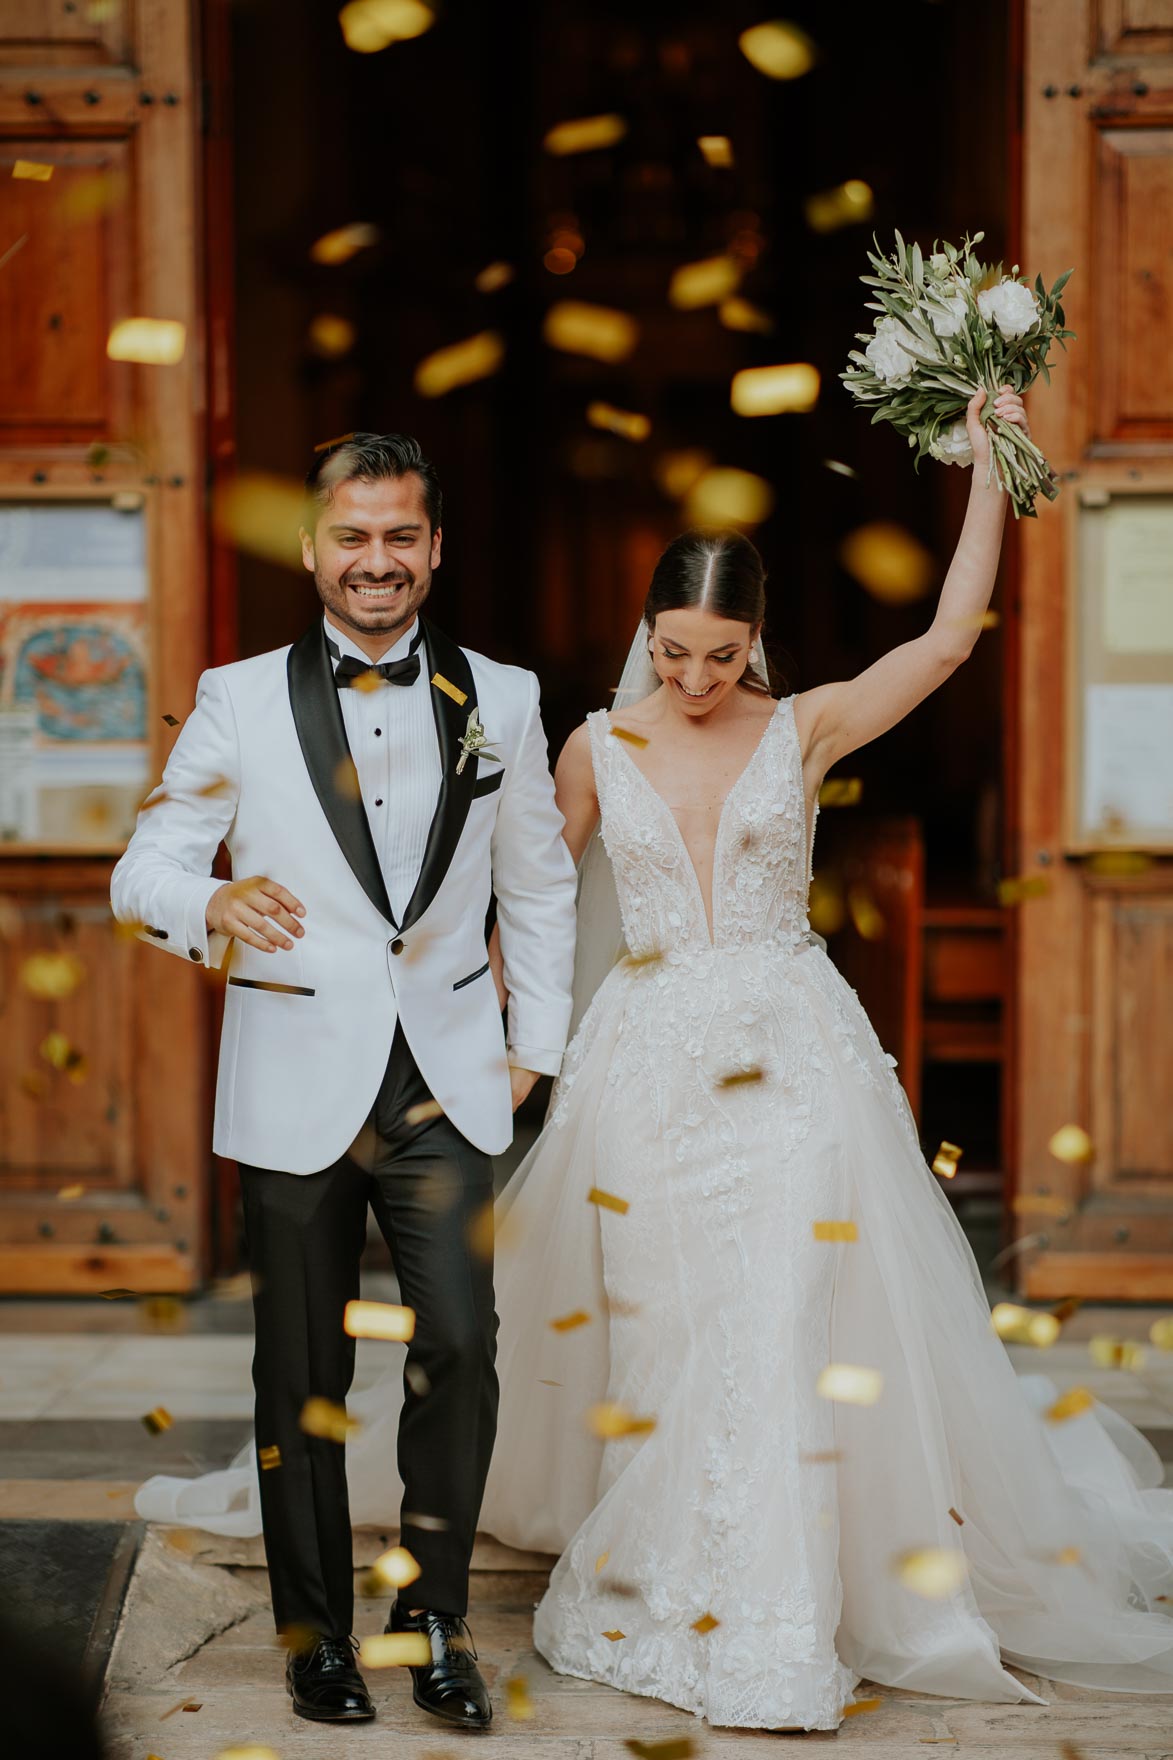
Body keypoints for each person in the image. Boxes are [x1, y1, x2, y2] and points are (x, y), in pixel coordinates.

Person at [133, 392, 1173, 1731]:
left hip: (792, 1052)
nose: (691, 678)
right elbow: (516, 893)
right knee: (671, 1330)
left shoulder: (804, 729)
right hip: (644, 1062)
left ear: (755, 641)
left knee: (786, 1313)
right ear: (647, 633)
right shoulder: (587, 742)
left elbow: (949, 637)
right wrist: (507, 1040)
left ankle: (777, 1606)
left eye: (719, 655)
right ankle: (651, 1569)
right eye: (672, 650)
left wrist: (986, 472)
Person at [111, 433, 578, 1731]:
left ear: (434, 548)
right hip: (294, 1075)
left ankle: (431, 1624)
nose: (376, 562)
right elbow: (140, 868)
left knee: (462, 1353)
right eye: (352, 538)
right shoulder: (236, 698)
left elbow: (538, 883)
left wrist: (532, 1042)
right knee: (297, 1368)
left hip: (446, 1081)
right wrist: (209, 895)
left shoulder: (506, 697)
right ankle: (315, 1636)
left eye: (400, 538)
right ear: (314, 547)